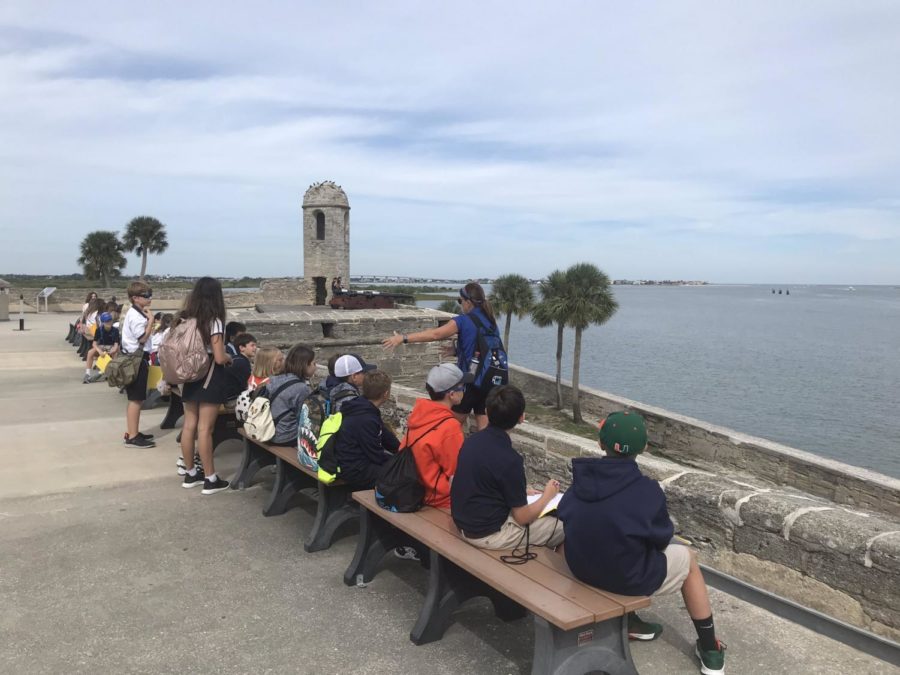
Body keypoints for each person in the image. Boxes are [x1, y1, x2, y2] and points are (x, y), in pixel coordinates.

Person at [557, 411, 726, 674]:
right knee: (688, 560)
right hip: (626, 579)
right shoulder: (647, 490)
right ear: (644, 448)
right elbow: (660, 539)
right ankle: (710, 651)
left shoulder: (581, 480)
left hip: (581, 568)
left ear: (600, 443)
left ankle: (631, 622)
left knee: (606, 542)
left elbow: (566, 515)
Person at [451, 385, 563, 550]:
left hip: (463, 523)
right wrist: (547, 496)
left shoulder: (471, 442)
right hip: (487, 534)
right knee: (566, 527)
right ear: (521, 418)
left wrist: (521, 491)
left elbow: (484, 481)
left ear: (487, 412)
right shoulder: (510, 460)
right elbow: (522, 518)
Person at [383, 281, 501, 431]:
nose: (460, 305)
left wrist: (403, 338)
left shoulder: (463, 320)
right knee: (485, 431)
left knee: (450, 428)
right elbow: (484, 347)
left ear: (468, 302)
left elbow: (435, 334)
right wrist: (457, 351)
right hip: (487, 381)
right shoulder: (490, 321)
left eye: (460, 301)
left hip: (469, 382)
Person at [177, 277, 232, 495]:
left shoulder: (188, 319)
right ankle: (210, 477)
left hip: (190, 375)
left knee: (189, 426)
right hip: (210, 375)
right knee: (205, 429)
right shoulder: (214, 321)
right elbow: (218, 357)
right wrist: (229, 357)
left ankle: (190, 473)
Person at [404, 363, 469, 509]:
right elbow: (457, 473)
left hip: (414, 487)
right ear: (451, 394)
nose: (464, 391)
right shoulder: (450, 427)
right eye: (463, 387)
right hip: (437, 498)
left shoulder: (418, 415)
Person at [333, 370, 400, 490]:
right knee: (401, 475)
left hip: (356, 463)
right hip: (355, 470)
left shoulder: (365, 408)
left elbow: (386, 437)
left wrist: (402, 450)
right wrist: (398, 462)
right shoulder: (365, 418)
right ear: (386, 394)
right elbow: (375, 454)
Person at [121, 281, 156, 448]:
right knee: (136, 399)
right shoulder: (135, 316)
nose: (149, 299)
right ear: (135, 298)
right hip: (136, 360)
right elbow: (141, 338)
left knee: (137, 399)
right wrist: (150, 321)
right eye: (146, 296)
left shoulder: (136, 313)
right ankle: (133, 436)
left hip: (137, 358)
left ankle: (133, 431)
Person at [266, 344, 316, 447]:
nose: (315, 367)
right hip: (285, 436)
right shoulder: (301, 388)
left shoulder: (275, 378)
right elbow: (304, 418)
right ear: (305, 365)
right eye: (313, 363)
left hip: (268, 430)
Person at [84, 312, 120, 383]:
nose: (109, 323)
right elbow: (94, 343)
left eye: (110, 321)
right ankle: (87, 373)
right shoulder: (99, 330)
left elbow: (116, 344)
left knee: (115, 353)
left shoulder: (115, 330)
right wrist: (99, 351)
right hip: (102, 347)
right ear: (103, 322)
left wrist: (113, 350)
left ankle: (113, 374)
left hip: (111, 347)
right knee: (90, 352)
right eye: (107, 321)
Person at [225, 332, 257, 400]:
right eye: (252, 345)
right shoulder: (242, 363)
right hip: (232, 398)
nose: (255, 348)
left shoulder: (236, 359)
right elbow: (246, 386)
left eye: (255, 345)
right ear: (242, 348)